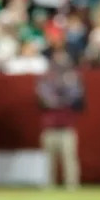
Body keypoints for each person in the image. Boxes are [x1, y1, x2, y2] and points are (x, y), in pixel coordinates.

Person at [36, 51, 85, 189]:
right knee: (48, 160)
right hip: (50, 126)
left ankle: (72, 184)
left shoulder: (73, 78)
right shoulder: (46, 79)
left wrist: (60, 98)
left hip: (66, 126)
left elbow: (75, 97)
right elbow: (45, 99)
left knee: (69, 158)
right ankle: (48, 184)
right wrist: (60, 100)